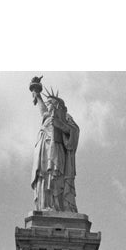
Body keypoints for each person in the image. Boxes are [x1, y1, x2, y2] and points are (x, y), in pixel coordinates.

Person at [30, 81, 80, 212]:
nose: (47, 106)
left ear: (57, 105)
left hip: (57, 149)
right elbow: (42, 111)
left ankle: (59, 206)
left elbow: (74, 131)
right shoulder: (47, 117)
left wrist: (61, 125)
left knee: (56, 176)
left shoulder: (64, 117)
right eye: (47, 104)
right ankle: (45, 205)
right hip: (43, 151)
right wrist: (36, 93)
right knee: (44, 177)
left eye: (50, 103)